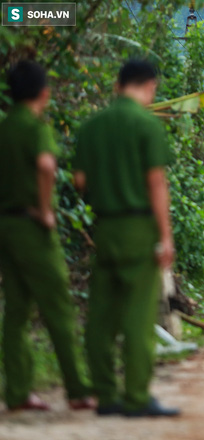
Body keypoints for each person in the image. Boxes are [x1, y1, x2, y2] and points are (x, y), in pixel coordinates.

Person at [73, 60, 180, 417]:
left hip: (105, 227)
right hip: (138, 228)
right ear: (149, 86)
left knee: (101, 314)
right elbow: (156, 183)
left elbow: (80, 182)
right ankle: (136, 397)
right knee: (137, 315)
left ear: (118, 85)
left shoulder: (92, 127)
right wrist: (165, 236)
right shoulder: (146, 125)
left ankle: (105, 394)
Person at [0, 60, 95, 412]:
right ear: (44, 92)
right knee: (57, 306)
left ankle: (18, 392)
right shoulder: (35, 127)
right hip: (32, 226)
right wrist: (46, 210)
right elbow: (45, 166)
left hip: (6, 227)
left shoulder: (6, 127)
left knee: (16, 310)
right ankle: (77, 388)